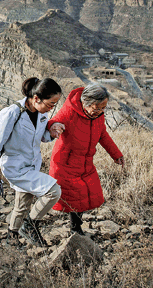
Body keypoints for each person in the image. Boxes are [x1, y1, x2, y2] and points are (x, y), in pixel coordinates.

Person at [0, 77, 63, 246]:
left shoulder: (41, 114)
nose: (51, 108)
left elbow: (41, 137)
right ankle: (30, 225)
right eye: (50, 104)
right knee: (54, 191)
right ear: (36, 98)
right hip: (15, 167)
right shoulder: (11, 113)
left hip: (32, 165)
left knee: (22, 203)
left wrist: (52, 132)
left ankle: (11, 238)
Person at [47, 83, 125, 235]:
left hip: (85, 162)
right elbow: (54, 121)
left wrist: (116, 154)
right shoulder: (70, 111)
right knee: (69, 196)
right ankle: (33, 223)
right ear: (86, 103)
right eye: (97, 108)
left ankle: (76, 227)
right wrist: (55, 127)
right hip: (65, 162)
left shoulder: (98, 117)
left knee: (85, 194)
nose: (100, 111)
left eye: (103, 108)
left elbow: (103, 135)